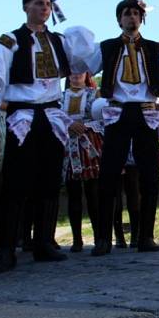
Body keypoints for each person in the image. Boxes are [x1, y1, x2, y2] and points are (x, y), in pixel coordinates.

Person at [66, 0, 159, 256]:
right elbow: (81, 63)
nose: (131, 17)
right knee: (109, 174)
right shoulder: (107, 47)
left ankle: (145, 236)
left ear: (141, 19)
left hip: (146, 113)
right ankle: (102, 238)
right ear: (119, 19)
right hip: (117, 113)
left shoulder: (154, 48)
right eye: (126, 14)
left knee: (149, 176)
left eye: (135, 14)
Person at [0, 0, 80, 273]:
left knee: (48, 182)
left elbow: (86, 60)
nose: (43, 8)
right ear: (25, 7)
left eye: (46, 3)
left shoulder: (59, 41)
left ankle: (44, 243)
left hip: (52, 115)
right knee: (16, 183)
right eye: (37, 3)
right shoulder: (10, 40)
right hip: (22, 115)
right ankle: (6, 249)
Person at [61, 72, 101, 252]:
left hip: (89, 145)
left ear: (87, 75)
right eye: (72, 71)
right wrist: (69, 124)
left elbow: (103, 117)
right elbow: (54, 116)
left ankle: (99, 236)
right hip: (68, 147)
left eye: (80, 71)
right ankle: (77, 239)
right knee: (73, 193)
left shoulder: (94, 94)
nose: (76, 75)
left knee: (93, 193)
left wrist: (86, 126)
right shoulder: (59, 97)